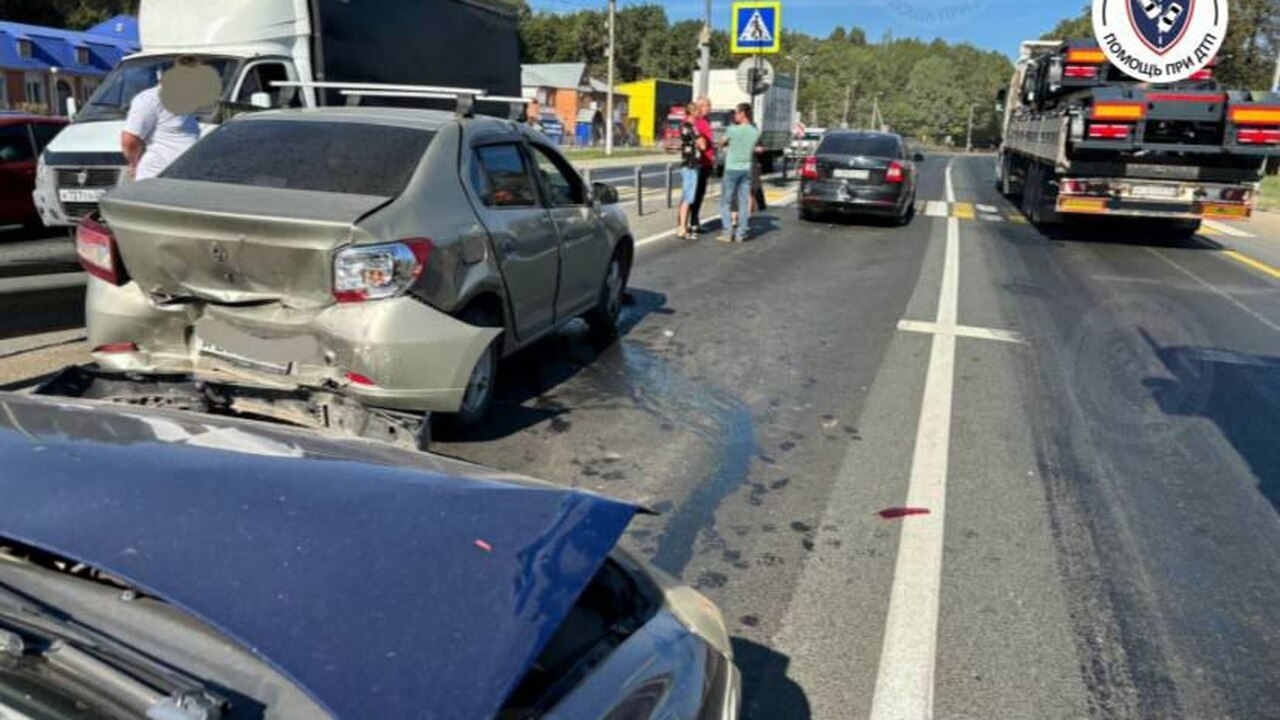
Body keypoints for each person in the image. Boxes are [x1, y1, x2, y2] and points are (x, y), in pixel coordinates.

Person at [121, 56, 203, 181]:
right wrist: (134, 164)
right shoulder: (150, 99)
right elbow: (130, 140)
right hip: (157, 178)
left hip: (182, 178)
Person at [719, 103, 760, 243]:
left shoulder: (732, 130)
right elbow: (753, 148)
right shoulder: (754, 131)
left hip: (731, 169)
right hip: (746, 169)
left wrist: (726, 148)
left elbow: (721, 142)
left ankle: (727, 232)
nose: (734, 115)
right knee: (743, 203)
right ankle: (740, 234)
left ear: (743, 114)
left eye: (736, 113)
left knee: (725, 202)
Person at [676, 103, 706, 239]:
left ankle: (683, 226)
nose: (700, 114)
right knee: (688, 197)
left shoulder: (684, 126)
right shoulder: (692, 127)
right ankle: (682, 228)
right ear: (693, 113)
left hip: (687, 163)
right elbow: (703, 146)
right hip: (691, 164)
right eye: (698, 112)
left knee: (687, 196)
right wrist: (702, 138)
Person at [688, 96, 715, 232]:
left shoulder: (705, 121)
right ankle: (692, 222)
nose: (709, 109)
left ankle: (695, 219)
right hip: (698, 163)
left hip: (706, 162)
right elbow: (698, 142)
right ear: (700, 106)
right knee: (695, 193)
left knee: (700, 193)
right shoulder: (696, 122)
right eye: (707, 106)